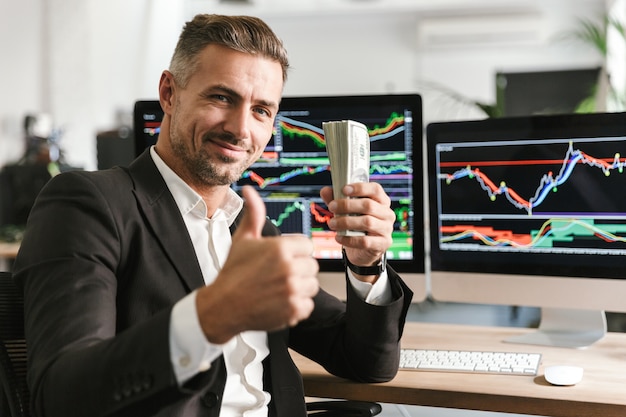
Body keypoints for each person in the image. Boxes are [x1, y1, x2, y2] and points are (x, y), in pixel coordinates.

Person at [13, 14, 413, 417]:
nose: (241, 128)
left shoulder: (253, 231)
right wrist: (209, 318)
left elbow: (368, 363)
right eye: (222, 97)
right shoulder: (89, 205)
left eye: (261, 110)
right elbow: (61, 397)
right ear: (169, 93)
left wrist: (367, 265)